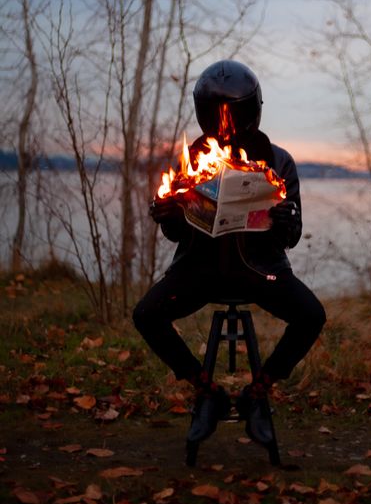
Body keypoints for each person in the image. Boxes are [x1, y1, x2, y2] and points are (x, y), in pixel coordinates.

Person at [133, 60, 326, 448]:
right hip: (198, 269)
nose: (225, 123)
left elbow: (291, 237)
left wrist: (284, 218)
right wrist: (166, 214)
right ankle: (206, 390)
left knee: (311, 316)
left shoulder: (279, 161)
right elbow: (174, 234)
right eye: (215, 113)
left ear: (252, 110)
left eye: (234, 112)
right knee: (146, 315)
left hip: (260, 270)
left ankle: (258, 393)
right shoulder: (190, 160)